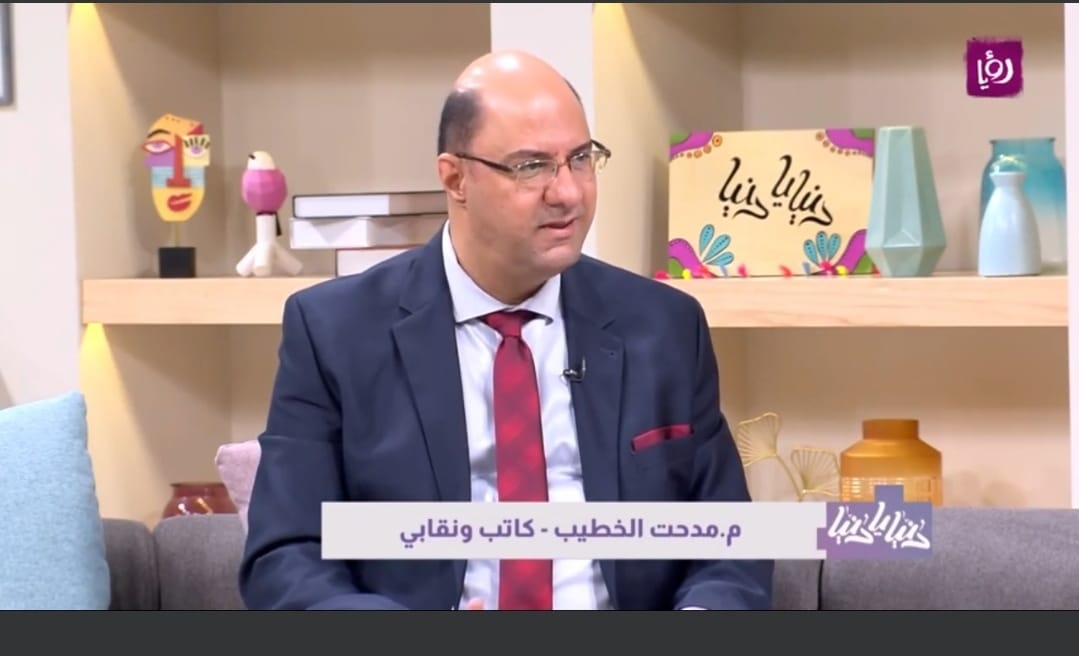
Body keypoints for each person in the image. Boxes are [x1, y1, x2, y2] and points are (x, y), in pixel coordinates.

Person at [239, 50, 774, 611]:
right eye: (531, 167)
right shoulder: (335, 331)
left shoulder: (665, 326)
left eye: (581, 159)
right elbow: (285, 557)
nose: (568, 192)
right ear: (455, 178)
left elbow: (730, 543)